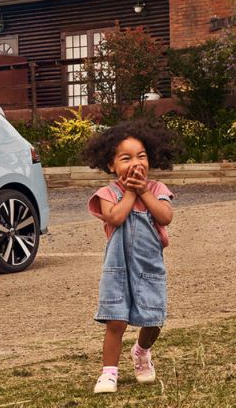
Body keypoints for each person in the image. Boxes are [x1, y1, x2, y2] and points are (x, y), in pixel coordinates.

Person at [82, 119, 179, 394]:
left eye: (141, 156)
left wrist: (144, 191)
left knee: (153, 318)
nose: (135, 163)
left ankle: (142, 350)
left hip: (149, 267)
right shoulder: (108, 193)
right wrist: (129, 192)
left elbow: (165, 217)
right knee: (116, 320)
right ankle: (108, 373)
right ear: (111, 165)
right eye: (126, 158)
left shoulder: (157, 189)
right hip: (117, 269)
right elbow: (115, 217)